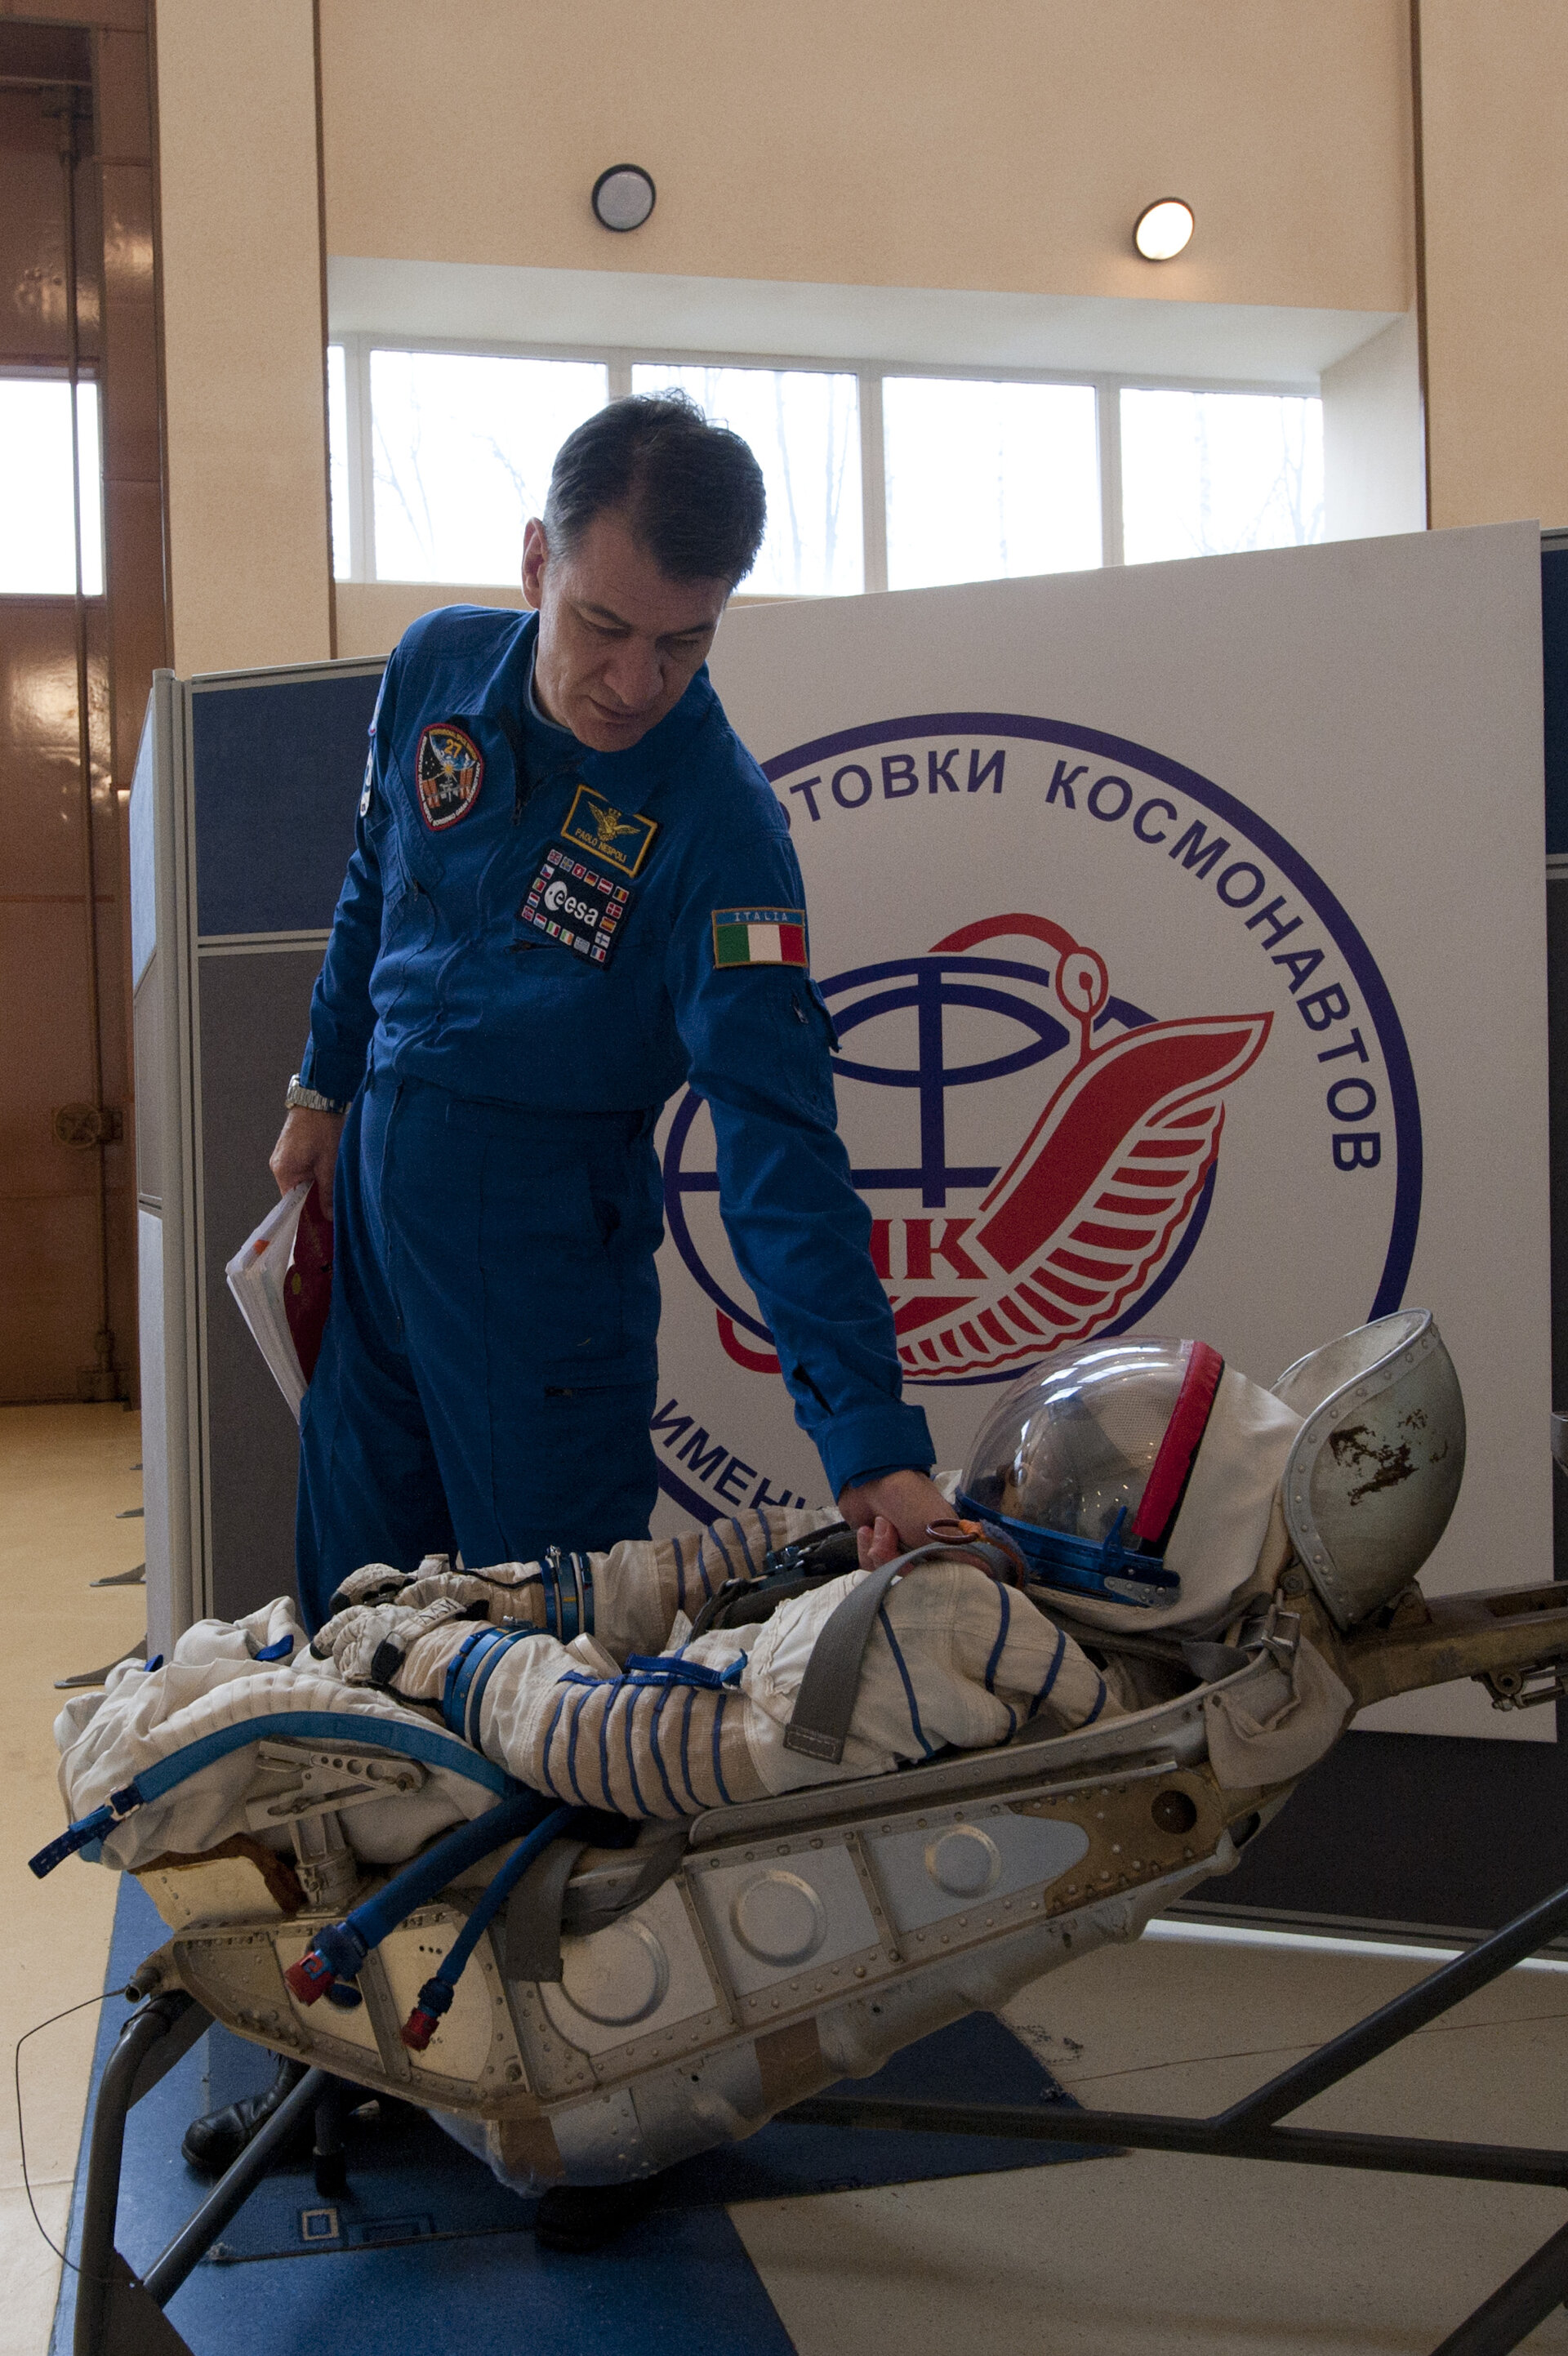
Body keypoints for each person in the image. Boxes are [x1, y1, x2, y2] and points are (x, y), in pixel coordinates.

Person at [185, 394, 948, 2226]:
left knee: (563, 1714)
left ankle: (597, 2081)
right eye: (603, 625)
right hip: (381, 1215)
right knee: (356, 1641)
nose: (632, 678)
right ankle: (346, 2059)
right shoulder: (441, 668)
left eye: (684, 642)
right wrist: (315, 1086)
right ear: (534, 561)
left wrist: (874, 1445)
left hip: (547, 1269)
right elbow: (378, 880)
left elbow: (780, 1154)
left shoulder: (723, 830)